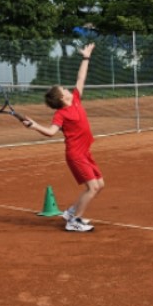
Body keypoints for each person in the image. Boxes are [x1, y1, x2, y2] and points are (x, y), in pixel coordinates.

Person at [21, 42, 104, 233]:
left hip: (85, 152)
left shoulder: (75, 99)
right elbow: (51, 132)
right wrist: (33, 125)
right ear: (62, 98)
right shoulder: (61, 114)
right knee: (92, 188)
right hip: (76, 154)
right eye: (64, 90)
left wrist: (86, 57)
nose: (68, 89)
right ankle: (74, 220)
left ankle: (71, 212)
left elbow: (81, 77)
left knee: (100, 185)